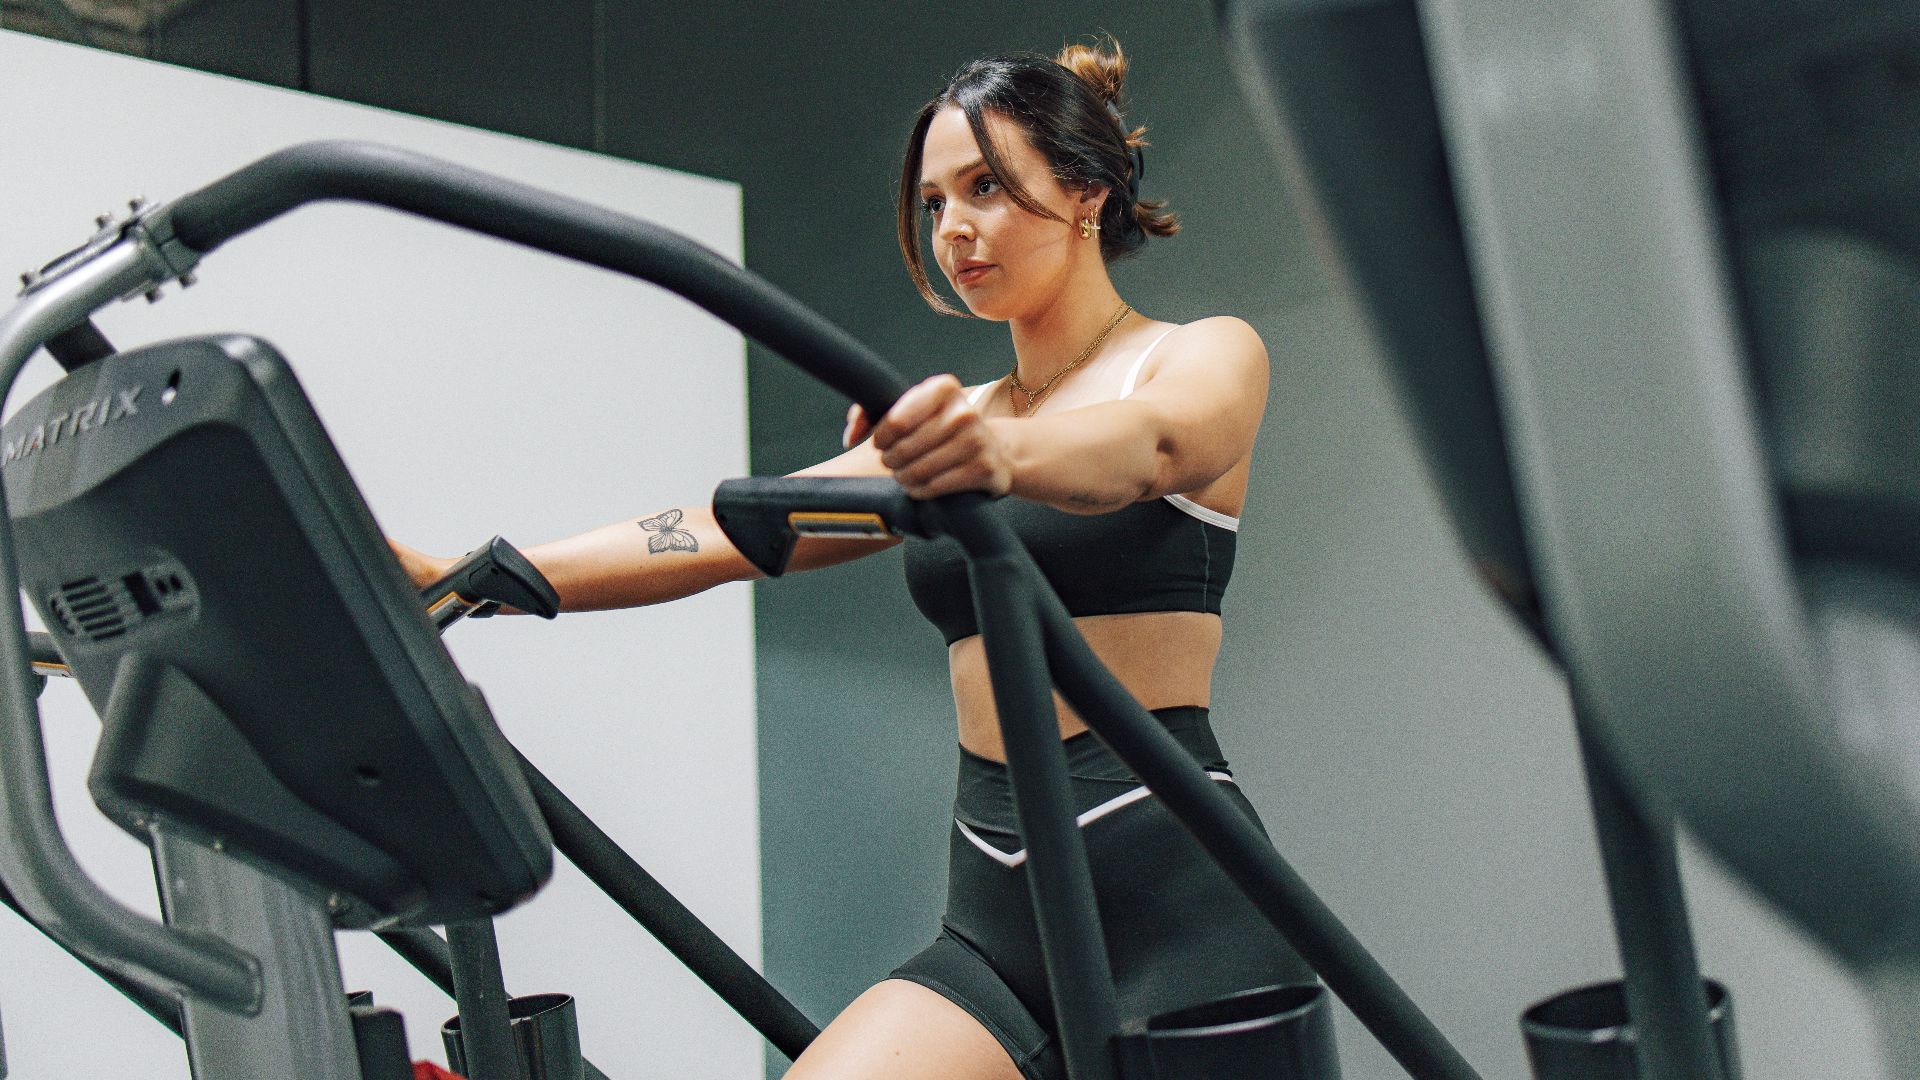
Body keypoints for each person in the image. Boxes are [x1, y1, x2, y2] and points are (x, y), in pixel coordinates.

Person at [394, 36, 1312, 1080]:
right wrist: (482, 578)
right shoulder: (951, 421)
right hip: (994, 913)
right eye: (934, 203)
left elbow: (1146, 448)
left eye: (987, 188)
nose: (955, 227)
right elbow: (730, 529)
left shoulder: (1198, 354)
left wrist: (988, 459)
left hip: (1175, 905)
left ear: (1087, 190)